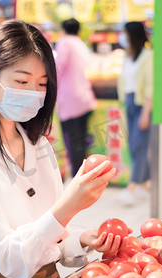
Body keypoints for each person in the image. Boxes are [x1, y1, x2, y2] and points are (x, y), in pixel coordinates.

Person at [0, 20, 126, 278]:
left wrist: (81, 238)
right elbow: (10, 259)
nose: (33, 93)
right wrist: (69, 205)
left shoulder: (38, 145)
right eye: (22, 81)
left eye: (41, 84)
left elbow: (47, 236)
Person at [115, 21, 153, 206]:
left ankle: (132, 185)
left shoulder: (148, 56)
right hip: (129, 102)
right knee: (135, 145)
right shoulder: (127, 56)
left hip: (142, 104)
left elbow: (150, 86)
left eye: (125, 33)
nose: (123, 37)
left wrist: (146, 112)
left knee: (139, 146)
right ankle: (144, 184)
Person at [55, 18, 97, 177]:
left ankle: (78, 178)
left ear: (63, 30)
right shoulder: (81, 44)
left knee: (73, 142)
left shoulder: (64, 42)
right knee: (81, 141)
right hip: (85, 98)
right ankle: (84, 176)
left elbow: (59, 67)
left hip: (70, 101)